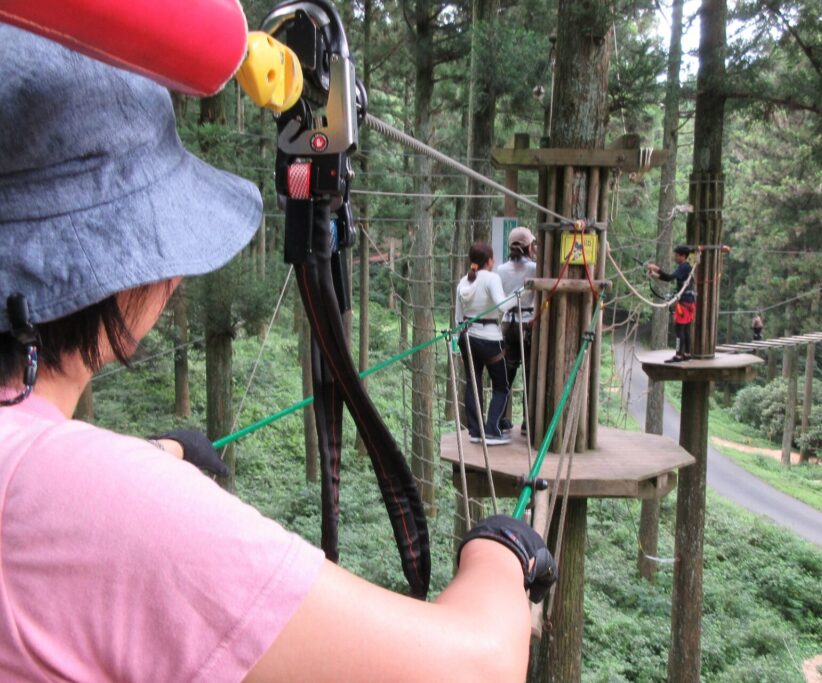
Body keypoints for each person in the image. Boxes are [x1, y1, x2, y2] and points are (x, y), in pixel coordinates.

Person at [0, 26, 554, 682]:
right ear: (127, 271)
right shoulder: (91, 502)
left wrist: (159, 456)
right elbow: (478, 667)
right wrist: (501, 549)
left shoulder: (52, 488)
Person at [455, 243, 517, 445]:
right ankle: (492, 429)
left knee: (473, 382)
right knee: (502, 385)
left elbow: (458, 317)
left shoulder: (463, 282)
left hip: (466, 337)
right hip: (489, 338)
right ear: (489, 261)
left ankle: (475, 431)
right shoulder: (491, 278)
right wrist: (519, 295)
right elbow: (502, 306)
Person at [496, 226, 537, 436]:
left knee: (506, 374)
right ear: (529, 246)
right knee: (530, 374)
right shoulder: (535, 269)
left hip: (507, 324)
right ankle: (528, 424)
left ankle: (499, 419)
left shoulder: (501, 270)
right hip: (528, 323)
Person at [647, 245, 697, 362]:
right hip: (689, 303)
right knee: (686, 330)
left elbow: (669, 277)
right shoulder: (687, 266)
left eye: (677, 255)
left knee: (680, 330)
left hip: (684, 304)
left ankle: (679, 355)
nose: (675, 257)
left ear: (682, 256)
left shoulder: (684, 266)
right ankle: (687, 353)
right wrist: (655, 275)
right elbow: (669, 278)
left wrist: (656, 268)